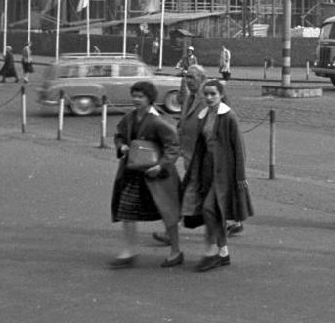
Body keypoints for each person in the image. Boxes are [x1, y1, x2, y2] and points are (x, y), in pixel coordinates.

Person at [108, 81, 183, 269]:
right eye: (134, 95)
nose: (136, 99)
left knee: (168, 213)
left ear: (150, 98)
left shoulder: (158, 120)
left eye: (140, 96)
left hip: (157, 176)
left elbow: (173, 146)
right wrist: (122, 146)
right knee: (126, 210)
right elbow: (119, 135)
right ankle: (129, 250)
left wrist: (161, 166)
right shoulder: (130, 117)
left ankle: (176, 251)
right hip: (134, 173)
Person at [180, 79, 253, 271]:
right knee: (215, 210)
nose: (209, 97)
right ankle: (223, 253)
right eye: (207, 94)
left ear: (221, 95)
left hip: (224, 171)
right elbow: (201, 145)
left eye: (213, 94)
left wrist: (240, 176)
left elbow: (239, 148)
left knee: (210, 208)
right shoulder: (203, 116)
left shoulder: (229, 117)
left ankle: (212, 251)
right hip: (206, 169)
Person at [151, 63, 208, 246]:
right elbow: (183, 111)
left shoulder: (208, 97)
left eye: (192, 77)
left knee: (191, 194)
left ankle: (173, 233)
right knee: (201, 195)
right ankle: (227, 225)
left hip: (202, 156)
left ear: (202, 79)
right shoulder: (189, 97)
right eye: (187, 77)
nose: (188, 80)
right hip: (188, 153)